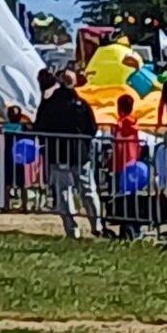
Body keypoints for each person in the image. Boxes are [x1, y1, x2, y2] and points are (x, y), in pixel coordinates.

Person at [34, 68, 103, 240]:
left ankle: (72, 230)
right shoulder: (81, 104)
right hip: (80, 154)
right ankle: (97, 225)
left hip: (58, 154)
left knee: (64, 192)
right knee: (88, 189)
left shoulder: (50, 104)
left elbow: (39, 128)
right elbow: (92, 129)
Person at [111, 92, 145, 239]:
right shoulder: (135, 125)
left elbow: (116, 145)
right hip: (134, 164)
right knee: (133, 197)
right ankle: (135, 226)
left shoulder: (119, 126)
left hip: (121, 164)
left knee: (122, 198)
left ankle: (125, 226)